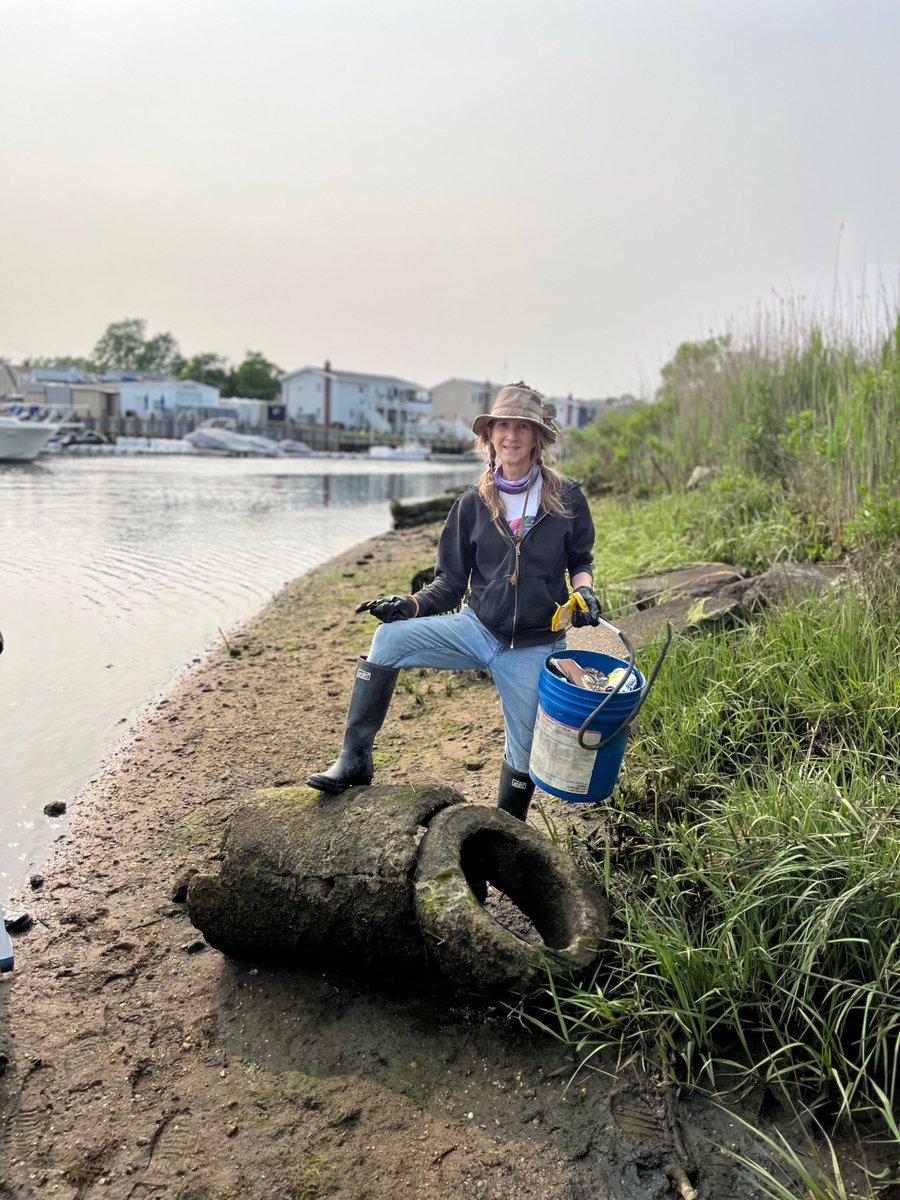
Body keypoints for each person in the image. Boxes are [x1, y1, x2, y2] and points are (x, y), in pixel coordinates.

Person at [307, 382, 602, 820]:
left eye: (523, 427)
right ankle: (354, 760)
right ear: (490, 435)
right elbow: (448, 583)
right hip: (476, 630)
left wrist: (583, 591)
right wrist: (408, 605)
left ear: (538, 437)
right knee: (387, 639)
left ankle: (505, 835)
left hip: (536, 644)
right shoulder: (471, 504)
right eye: (503, 426)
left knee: (523, 757)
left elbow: (580, 560)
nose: (511, 436)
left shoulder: (567, 497)